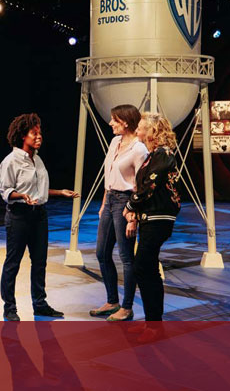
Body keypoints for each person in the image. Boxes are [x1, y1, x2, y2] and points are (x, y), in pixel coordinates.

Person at [0, 113, 79, 321]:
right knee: (13, 263)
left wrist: (60, 192)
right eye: (34, 133)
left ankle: (40, 304)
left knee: (40, 262)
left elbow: (39, 190)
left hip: (39, 216)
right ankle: (9, 307)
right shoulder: (11, 161)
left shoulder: (38, 160)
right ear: (22, 136)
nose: (39, 136)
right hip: (19, 216)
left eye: (39, 133)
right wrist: (21, 196)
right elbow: (5, 191)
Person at [123, 112, 181, 342]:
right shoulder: (152, 155)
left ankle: (155, 326)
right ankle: (152, 322)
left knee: (143, 267)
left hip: (159, 217)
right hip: (150, 216)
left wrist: (130, 205)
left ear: (152, 131)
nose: (137, 131)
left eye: (140, 127)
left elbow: (149, 184)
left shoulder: (163, 154)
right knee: (146, 269)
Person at [90, 104, 148, 322]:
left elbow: (141, 186)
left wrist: (133, 215)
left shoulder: (139, 149)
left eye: (114, 119)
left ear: (125, 122)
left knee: (126, 257)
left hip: (126, 203)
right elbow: (109, 174)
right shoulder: (115, 142)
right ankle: (112, 300)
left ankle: (127, 307)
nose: (110, 123)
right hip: (111, 199)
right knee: (101, 253)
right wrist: (104, 204)